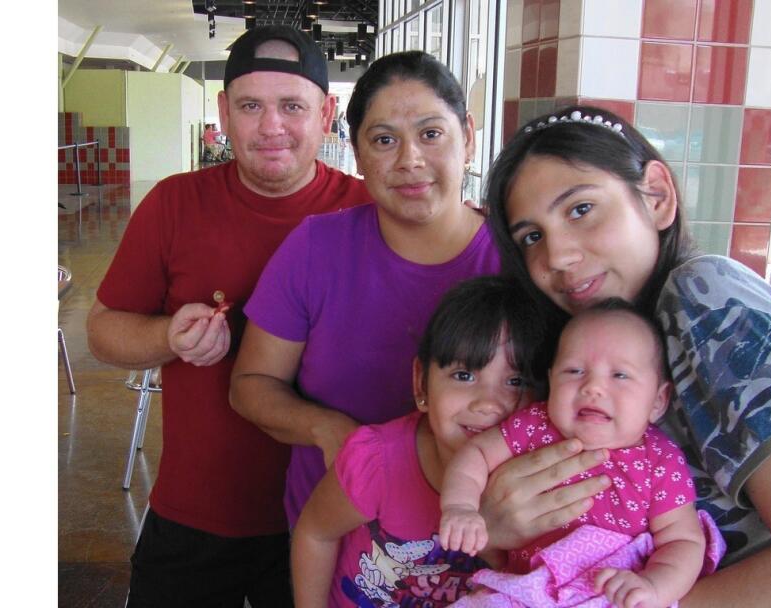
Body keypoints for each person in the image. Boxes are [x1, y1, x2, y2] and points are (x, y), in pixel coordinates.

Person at [476, 106, 771, 606]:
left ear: (656, 196)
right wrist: (493, 529)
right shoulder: (590, 345)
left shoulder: (704, 297)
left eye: (580, 210)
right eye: (532, 237)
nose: (557, 257)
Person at [85, 25, 370, 607]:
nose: (271, 127)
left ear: (326, 113)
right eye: (250, 106)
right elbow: (102, 331)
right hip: (194, 515)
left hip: (334, 515)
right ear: (222, 112)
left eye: (292, 106)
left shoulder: (368, 211)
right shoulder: (173, 202)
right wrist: (168, 335)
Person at [230, 51, 498, 532]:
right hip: (333, 541)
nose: (409, 159)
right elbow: (251, 386)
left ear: (469, 138)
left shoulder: (513, 264)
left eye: (431, 134)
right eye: (384, 140)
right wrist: (327, 430)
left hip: (482, 546)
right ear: (357, 154)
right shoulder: (317, 249)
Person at [290, 275, 550, 607]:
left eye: (515, 380)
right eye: (464, 375)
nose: (488, 403)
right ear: (421, 383)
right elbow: (315, 533)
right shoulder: (377, 461)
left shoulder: (539, 484)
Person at [440, 301, 721, 608]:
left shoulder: (660, 459)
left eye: (620, 375)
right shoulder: (535, 425)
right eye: (574, 371)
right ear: (551, 381)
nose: (593, 387)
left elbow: (683, 541)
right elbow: (476, 453)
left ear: (658, 400)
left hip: (611, 595)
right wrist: (461, 507)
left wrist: (652, 587)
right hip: (525, 591)